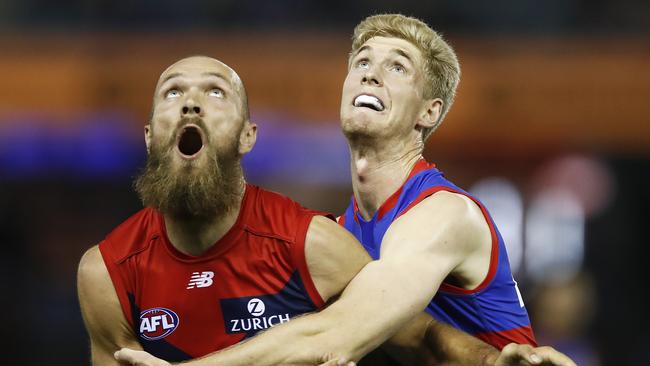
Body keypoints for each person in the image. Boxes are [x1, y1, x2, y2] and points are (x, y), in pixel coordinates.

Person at [78, 55, 544, 366]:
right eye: (172, 93)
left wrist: (489, 360)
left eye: (216, 93)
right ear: (148, 136)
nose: (192, 103)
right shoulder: (108, 273)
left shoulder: (312, 244)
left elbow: (422, 337)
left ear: (247, 136)